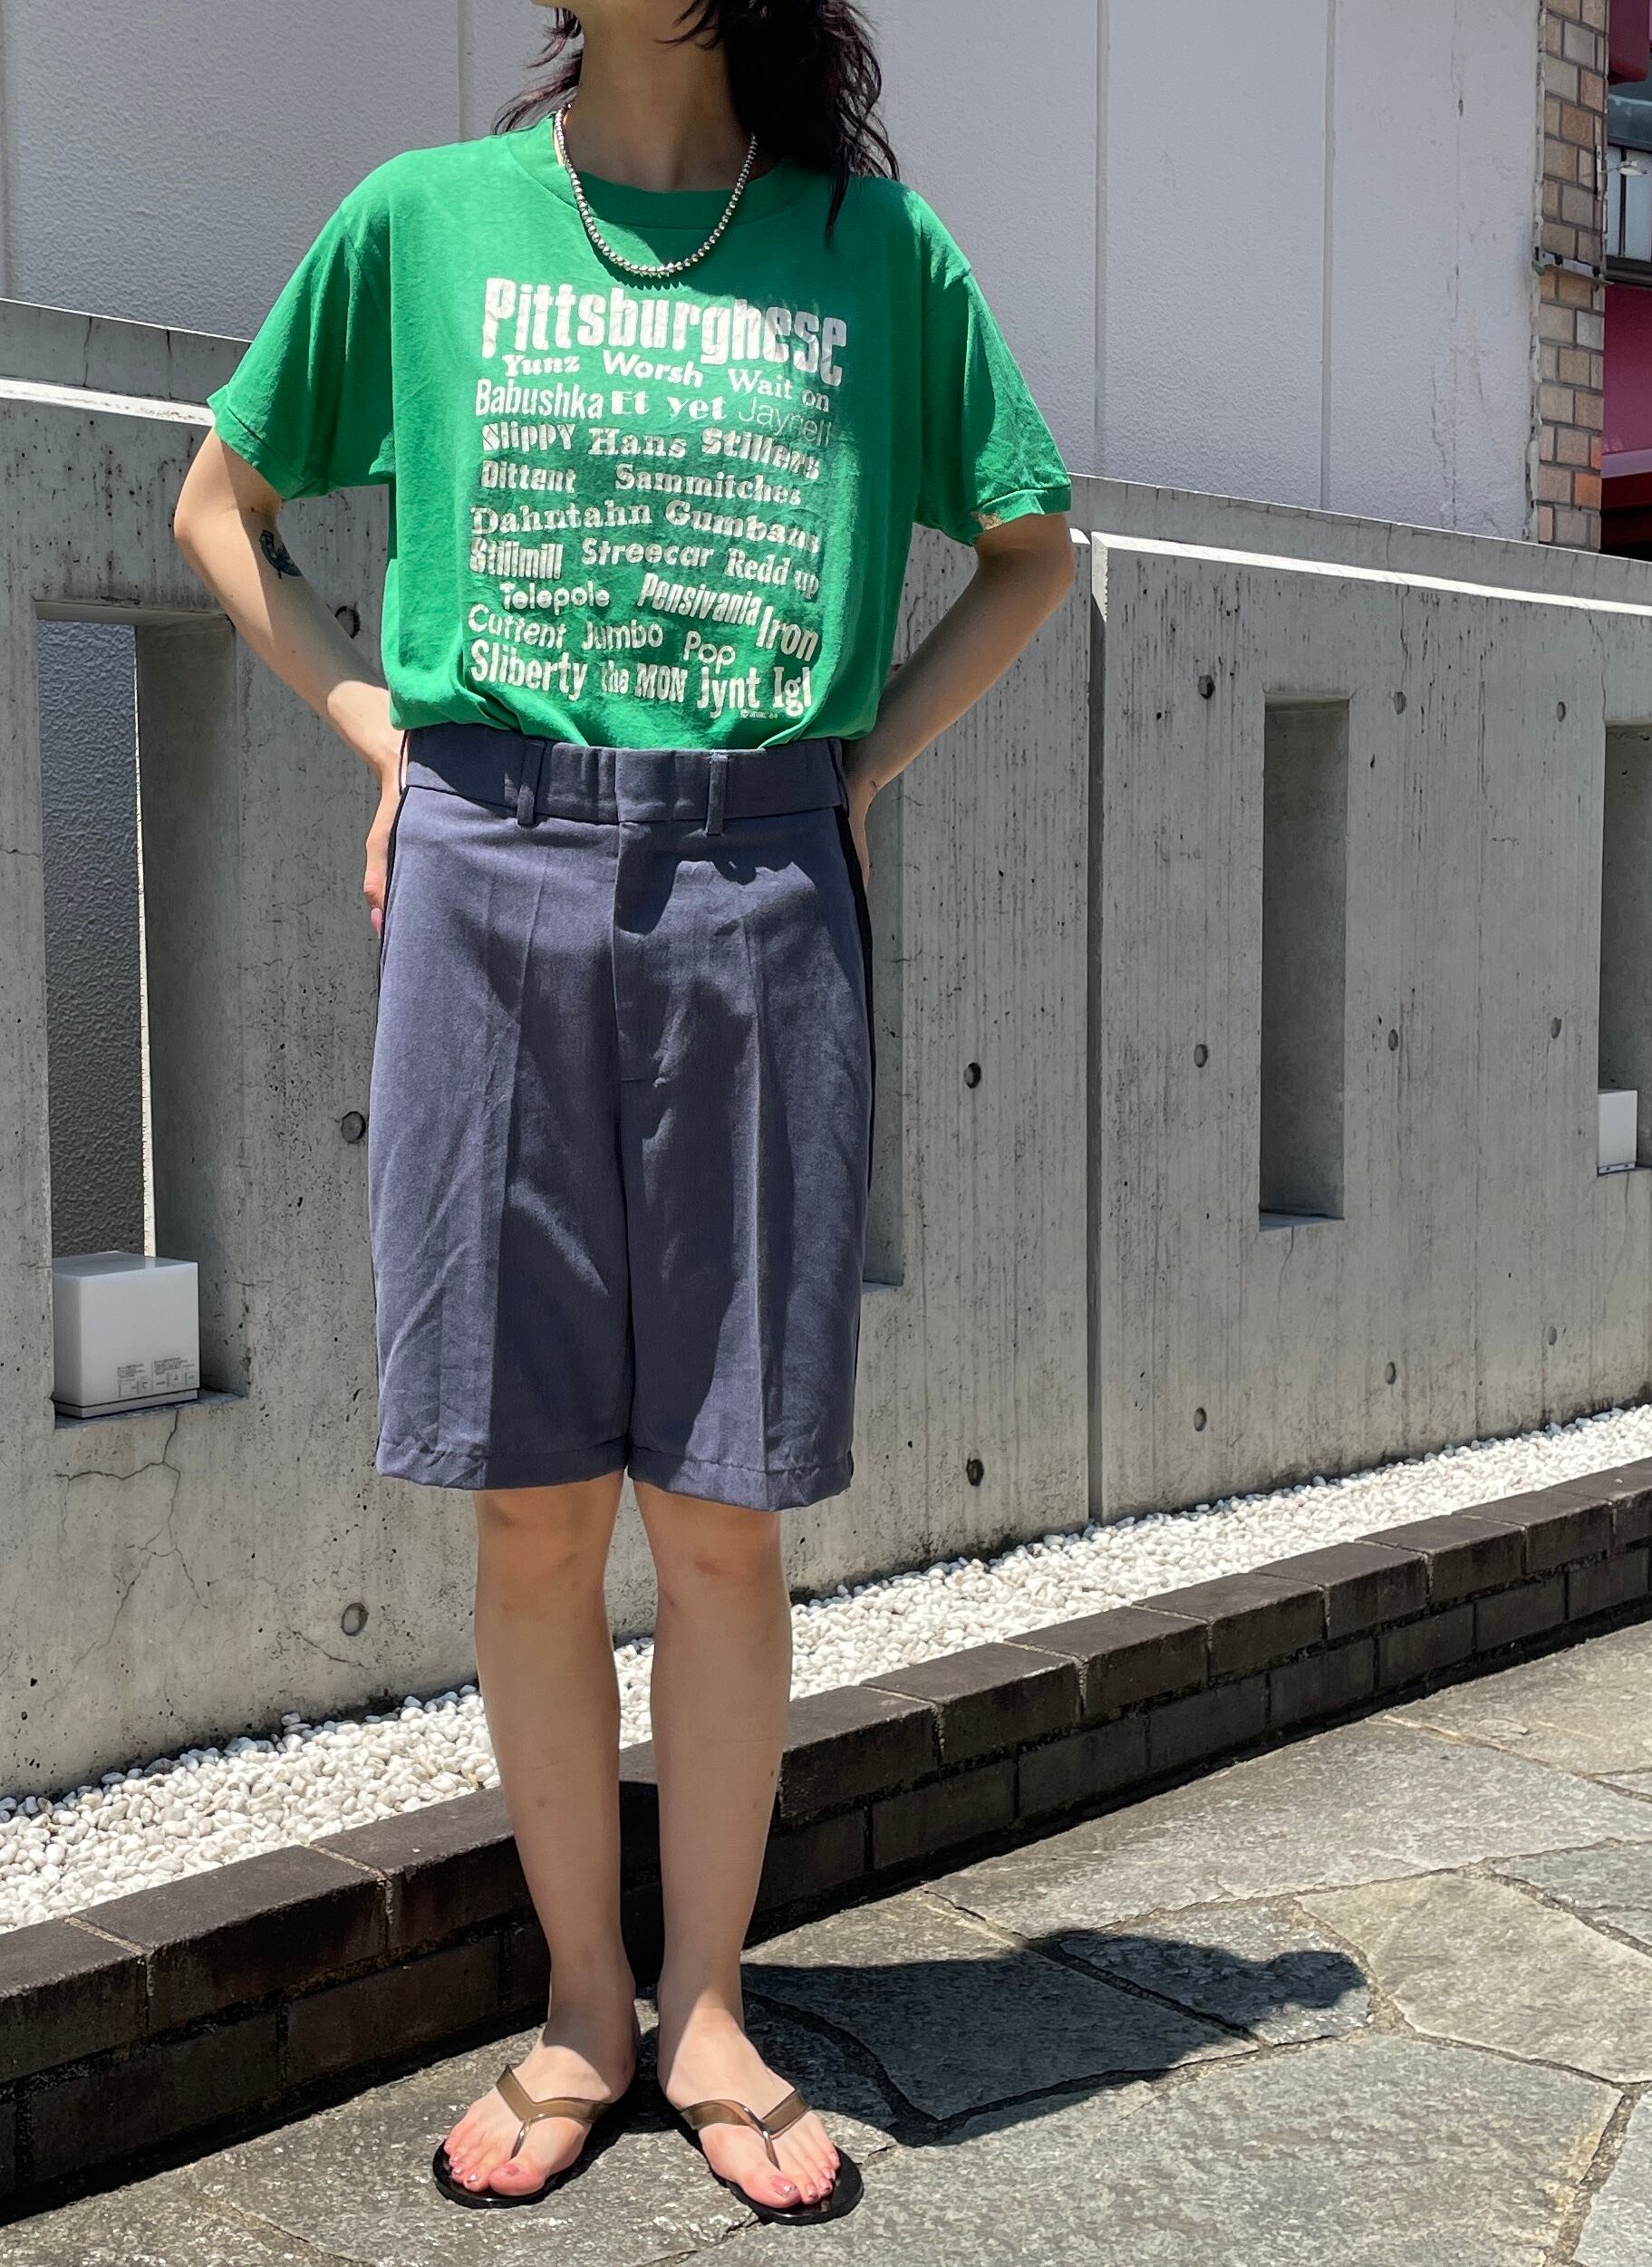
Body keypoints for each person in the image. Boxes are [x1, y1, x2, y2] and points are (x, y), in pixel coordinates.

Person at [172, 0, 1075, 2226]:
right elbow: (221, 501)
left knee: (725, 1508)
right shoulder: (428, 224)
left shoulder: (873, 253)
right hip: (486, 872)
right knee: (530, 1507)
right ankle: (584, 2002)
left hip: (759, 882)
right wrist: (383, 729)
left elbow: (1034, 544)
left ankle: (710, 2007)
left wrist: (854, 772)